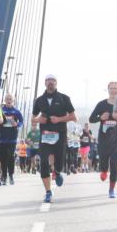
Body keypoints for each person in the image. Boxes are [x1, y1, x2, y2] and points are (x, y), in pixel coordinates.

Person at [31, 74, 76, 203]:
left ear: (56, 83)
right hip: (45, 136)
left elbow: (73, 117)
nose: (50, 82)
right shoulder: (39, 100)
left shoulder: (64, 98)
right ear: (45, 83)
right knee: (44, 162)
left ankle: (57, 171)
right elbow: (33, 119)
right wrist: (39, 120)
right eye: (48, 80)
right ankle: (48, 192)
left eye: (53, 81)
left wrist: (59, 119)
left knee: (59, 162)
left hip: (60, 135)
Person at [90, 82, 117, 198]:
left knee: (114, 165)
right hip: (103, 139)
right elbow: (91, 119)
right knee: (104, 162)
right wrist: (100, 118)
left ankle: (111, 190)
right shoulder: (101, 104)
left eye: (115, 88)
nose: (113, 90)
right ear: (108, 90)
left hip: (116, 140)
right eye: (111, 88)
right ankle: (103, 170)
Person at [0, 93, 25, 186]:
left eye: (10, 99)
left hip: (12, 138)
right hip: (2, 138)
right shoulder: (1, 110)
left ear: (13, 101)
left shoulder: (16, 111)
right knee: (3, 158)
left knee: (11, 156)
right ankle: (4, 175)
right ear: (5, 100)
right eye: (7, 99)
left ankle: (11, 175)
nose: (8, 101)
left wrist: (17, 124)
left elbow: (21, 122)